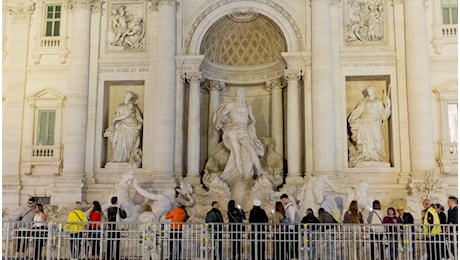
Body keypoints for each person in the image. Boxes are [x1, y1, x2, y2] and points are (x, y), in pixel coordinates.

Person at [213, 87, 265, 180]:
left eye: (242, 93)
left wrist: (251, 127)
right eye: (239, 93)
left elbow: (252, 119)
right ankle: (241, 175)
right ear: (237, 95)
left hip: (244, 130)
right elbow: (222, 114)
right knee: (236, 153)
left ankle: (260, 171)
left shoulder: (248, 106)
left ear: (244, 95)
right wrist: (220, 122)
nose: (240, 95)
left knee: (251, 150)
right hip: (233, 130)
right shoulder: (232, 105)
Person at [348, 85, 391, 167]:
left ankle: (377, 157)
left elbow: (383, 115)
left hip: (375, 123)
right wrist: (354, 120)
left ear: (374, 91)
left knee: (377, 139)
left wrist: (388, 106)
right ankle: (366, 157)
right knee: (366, 141)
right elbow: (358, 112)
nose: (369, 92)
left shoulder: (378, 102)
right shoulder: (363, 102)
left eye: (370, 91)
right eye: (368, 91)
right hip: (364, 123)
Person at [104, 90, 143, 164]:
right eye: (128, 95)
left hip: (130, 125)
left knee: (128, 143)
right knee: (120, 141)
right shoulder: (120, 105)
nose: (129, 97)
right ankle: (118, 158)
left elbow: (126, 115)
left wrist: (115, 120)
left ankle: (126, 158)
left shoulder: (130, 104)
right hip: (121, 125)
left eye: (130, 96)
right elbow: (116, 114)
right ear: (125, 96)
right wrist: (115, 122)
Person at [280, 193, 300, 259]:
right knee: (292, 242)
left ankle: (294, 256)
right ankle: (293, 255)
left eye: (283, 200)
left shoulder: (290, 207)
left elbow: (292, 218)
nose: (282, 202)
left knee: (293, 243)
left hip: (292, 228)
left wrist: (289, 226)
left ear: (286, 199)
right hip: (291, 228)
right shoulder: (289, 207)